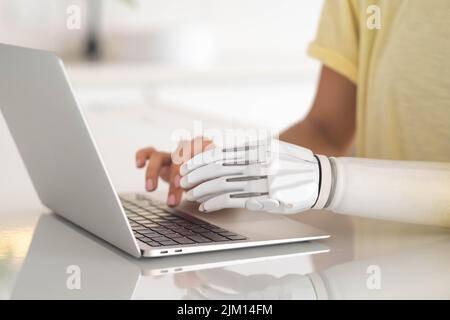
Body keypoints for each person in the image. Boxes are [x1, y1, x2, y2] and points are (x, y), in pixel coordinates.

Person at [135, 0, 450, 227]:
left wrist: (332, 182)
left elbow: (324, 173)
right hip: (377, 263)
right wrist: (223, 174)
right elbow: (326, 129)